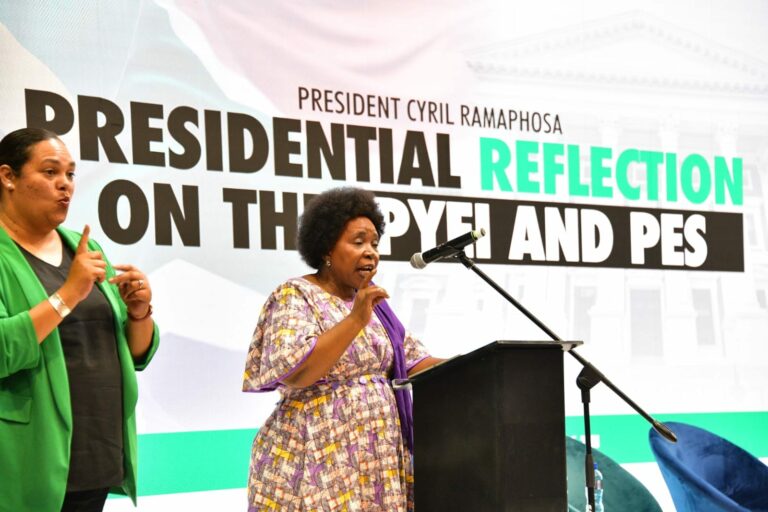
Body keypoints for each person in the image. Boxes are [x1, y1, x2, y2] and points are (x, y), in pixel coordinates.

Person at [243, 187, 443, 511]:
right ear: (326, 247)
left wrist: (477, 363)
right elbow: (296, 372)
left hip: (375, 459)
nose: (371, 253)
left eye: (375, 244)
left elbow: (413, 361)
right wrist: (355, 319)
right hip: (315, 455)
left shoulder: (373, 304)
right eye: (358, 242)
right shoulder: (296, 295)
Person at [0, 128, 160, 512]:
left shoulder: (85, 248)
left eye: (70, 174)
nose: (65, 185)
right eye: (50, 172)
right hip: (30, 459)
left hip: (97, 454)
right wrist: (68, 294)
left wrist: (139, 312)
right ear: (8, 177)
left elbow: (133, 353)